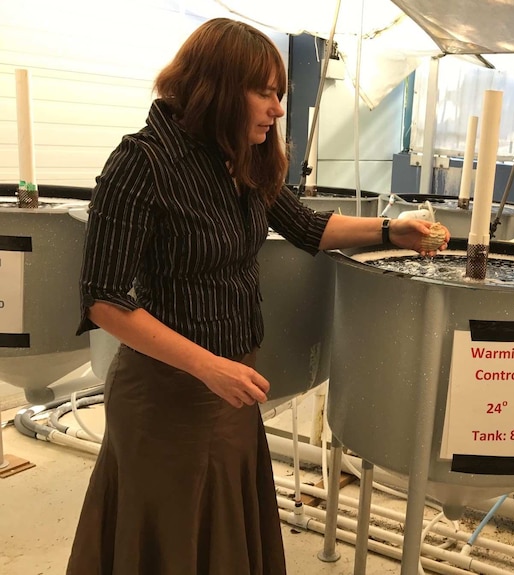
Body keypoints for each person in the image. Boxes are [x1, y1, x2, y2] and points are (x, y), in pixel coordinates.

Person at [67, 17, 449, 575]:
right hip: (166, 397)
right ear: (217, 87)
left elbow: (308, 227)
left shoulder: (237, 160)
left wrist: (393, 232)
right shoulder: (142, 163)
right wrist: (208, 367)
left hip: (231, 387)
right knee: (171, 542)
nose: (275, 109)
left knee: (219, 540)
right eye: (265, 93)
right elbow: (102, 299)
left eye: (278, 95)